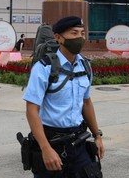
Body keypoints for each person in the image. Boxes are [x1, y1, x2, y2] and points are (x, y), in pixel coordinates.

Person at [23, 16, 105, 177]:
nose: (80, 38)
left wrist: (97, 135)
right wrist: (45, 148)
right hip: (52, 142)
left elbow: (86, 103)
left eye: (82, 33)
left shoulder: (85, 66)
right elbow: (31, 110)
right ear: (58, 38)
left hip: (79, 142)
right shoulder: (44, 68)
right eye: (74, 33)